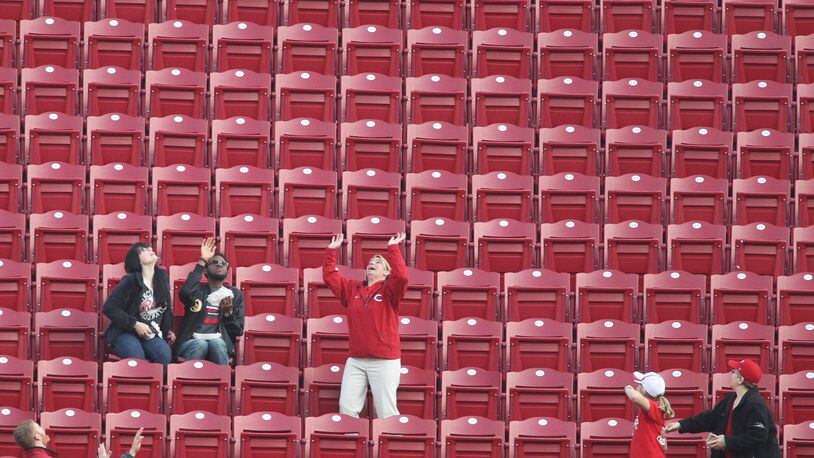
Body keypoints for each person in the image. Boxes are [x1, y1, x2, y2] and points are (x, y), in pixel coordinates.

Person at [323, 232, 408, 419]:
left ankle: (389, 446)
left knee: (387, 411)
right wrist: (331, 253)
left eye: (378, 262)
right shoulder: (353, 288)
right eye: (371, 261)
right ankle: (351, 445)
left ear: (386, 272)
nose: (372, 263)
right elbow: (330, 277)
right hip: (357, 359)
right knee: (346, 407)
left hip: (384, 360)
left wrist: (392, 249)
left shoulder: (389, 290)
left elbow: (401, 276)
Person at [663, 359, 781, 458]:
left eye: (733, 372)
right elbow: (710, 418)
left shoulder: (755, 404)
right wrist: (681, 425)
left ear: (740, 380)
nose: (730, 374)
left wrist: (727, 442)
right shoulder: (731, 398)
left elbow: (757, 436)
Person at [174, 237, 245, 365]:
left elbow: (238, 331)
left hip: (220, 342)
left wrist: (228, 314)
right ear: (205, 270)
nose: (219, 265)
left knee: (216, 343)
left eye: (224, 264)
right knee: (200, 344)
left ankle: (222, 383)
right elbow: (185, 293)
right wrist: (202, 261)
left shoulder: (235, 295)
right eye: (215, 262)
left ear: (227, 271)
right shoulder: (197, 290)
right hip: (191, 340)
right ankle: (190, 381)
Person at [103, 243, 173, 366]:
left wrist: (167, 329)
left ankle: (153, 385)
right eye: (143, 250)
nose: (150, 250)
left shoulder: (162, 278)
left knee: (164, 354)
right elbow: (109, 308)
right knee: (136, 356)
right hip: (125, 332)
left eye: (150, 248)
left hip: (151, 334)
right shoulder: (130, 280)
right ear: (137, 260)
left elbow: (165, 308)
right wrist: (134, 324)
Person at [625, 371, 674, 457]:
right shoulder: (654, 408)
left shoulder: (655, 407)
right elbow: (664, 446)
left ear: (643, 390)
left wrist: (627, 389)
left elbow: (635, 397)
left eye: (639, 384)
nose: (636, 387)